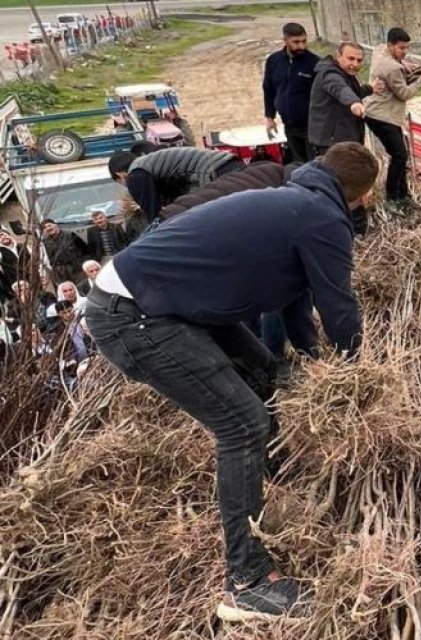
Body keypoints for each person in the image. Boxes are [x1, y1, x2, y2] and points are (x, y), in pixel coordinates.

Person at [83, 142, 378, 622]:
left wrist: (314, 363)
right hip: (135, 314)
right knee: (242, 423)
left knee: (271, 376)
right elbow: (339, 305)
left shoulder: (293, 199)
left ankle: (280, 489)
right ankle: (247, 581)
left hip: (162, 298)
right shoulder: (320, 217)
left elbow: (297, 302)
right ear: (362, 197)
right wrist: (356, 372)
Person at [159, 160, 322, 361]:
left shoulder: (268, 171)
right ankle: (269, 363)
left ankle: (268, 358)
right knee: (269, 294)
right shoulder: (288, 204)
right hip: (187, 239)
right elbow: (283, 287)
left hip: (174, 227)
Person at [365, 28, 421, 208]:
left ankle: (403, 195)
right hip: (382, 116)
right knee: (399, 155)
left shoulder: (380, 51)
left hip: (375, 113)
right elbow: (404, 93)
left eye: (407, 48)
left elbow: (396, 67)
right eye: (401, 48)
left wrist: (404, 63)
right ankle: (393, 198)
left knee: (401, 155)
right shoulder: (392, 67)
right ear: (390, 45)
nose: (405, 51)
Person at [109, 146, 243, 227]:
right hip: (230, 165)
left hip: (216, 172)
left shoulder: (135, 174)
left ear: (120, 175)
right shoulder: (152, 164)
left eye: (121, 184)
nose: (127, 187)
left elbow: (156, 218)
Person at [263, 22, 320, 163]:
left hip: (311, 127)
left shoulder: (315, 63)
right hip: (289, 126)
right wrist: (270, 116)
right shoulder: (273, 61)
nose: (301, 46)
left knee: (314, 165)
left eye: (304, 41)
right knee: (298, 164)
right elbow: (268, 88)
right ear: (285, 40)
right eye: (296, 42)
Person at [308, 42, 375, 158]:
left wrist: (369, 89)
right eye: (350, 58)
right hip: (332, 144)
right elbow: (340, 89)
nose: (355, 64)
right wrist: (354, 102)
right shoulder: (330, 74)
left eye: (359, 60)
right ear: (338, 56)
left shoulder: (345, 72)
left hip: (343, 140)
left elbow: (351, 91)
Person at [39, 219, 92, 285]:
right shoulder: (45, 243)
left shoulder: (70, 235)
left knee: (83, 288)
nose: (48, 228)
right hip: (61, 274)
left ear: (55, 225)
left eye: (49, 225)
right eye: (45, 228)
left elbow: (85, 250)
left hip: (77, 270)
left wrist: (85, 264)